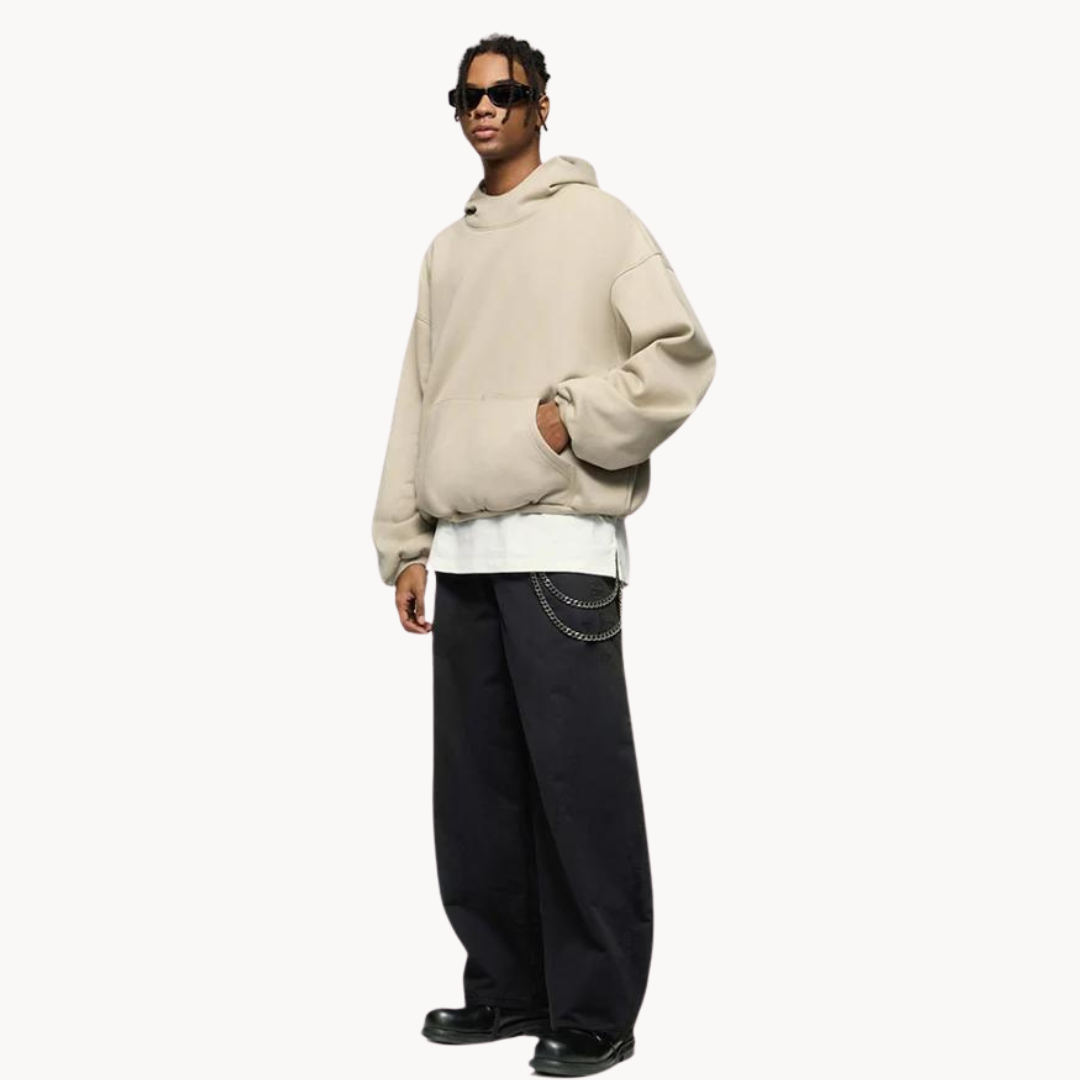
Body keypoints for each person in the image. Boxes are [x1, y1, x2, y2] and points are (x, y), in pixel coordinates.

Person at [371, 33, 715, 1076]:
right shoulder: (447, 251)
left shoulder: (601, 224)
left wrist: (574, 418)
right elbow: (417, 399)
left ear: (541, 104)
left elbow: (681, 356)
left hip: (562, 546)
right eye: (467, 95)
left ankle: (598, 1007)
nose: (485, 108)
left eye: (505, 92)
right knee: (476, 795)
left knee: (578, 785)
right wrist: (405, 543)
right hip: (464, 551)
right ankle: (508, 988)